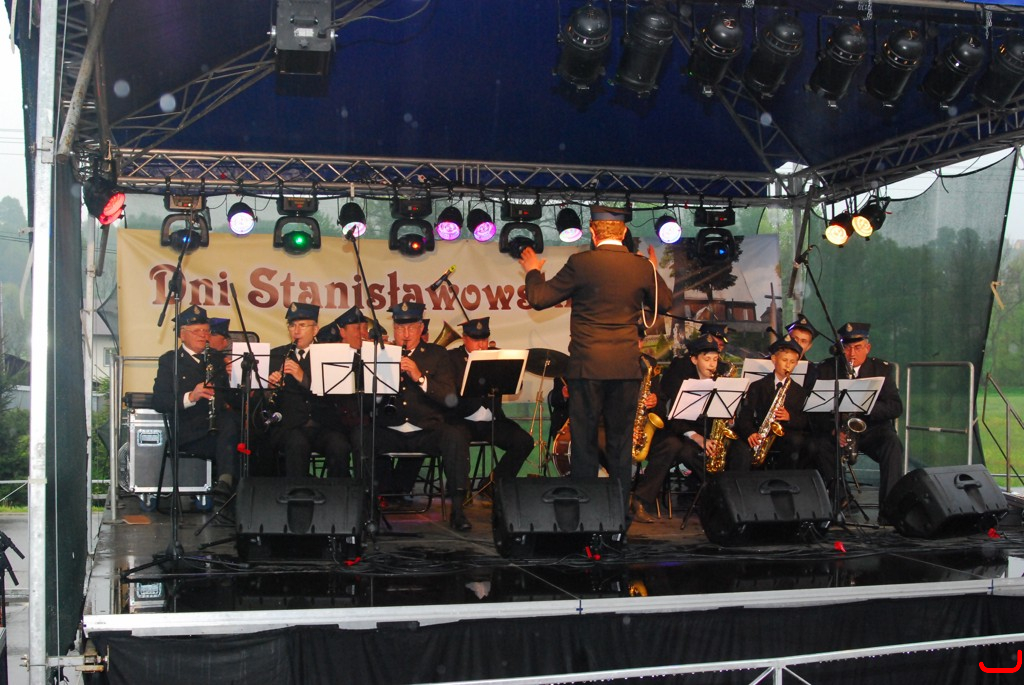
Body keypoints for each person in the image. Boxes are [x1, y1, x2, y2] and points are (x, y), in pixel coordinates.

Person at [519, 206, 671, 518]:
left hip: (587, 367)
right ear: (624, 232)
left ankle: (587, 516)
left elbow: (539, 298)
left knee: (585, 444)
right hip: (625, 368)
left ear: (592, 231)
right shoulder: (641, 266)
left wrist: (533, 270)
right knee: (620, 445)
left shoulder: (581, 263)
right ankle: (618, 518)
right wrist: (653, 272)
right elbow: (665, 303)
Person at [368, 301, 473, 531]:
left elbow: (448, 397)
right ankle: (369, 507)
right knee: (361, 436)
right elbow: (367, 402)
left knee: (455, 436)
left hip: (426, 431)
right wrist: (382, 383)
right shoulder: (381, 354)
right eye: (399, 328)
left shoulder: (438, 355)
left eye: (410, 328)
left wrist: (419, 377)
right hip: (391, 430)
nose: (405, 334)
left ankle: (458, 510)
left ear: (421, 328)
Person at [812, 322, 904, 518]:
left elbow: (895, 407)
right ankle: (841, 498)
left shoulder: (881, 369)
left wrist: (866, 407)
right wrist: (833, 429)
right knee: (820, 445)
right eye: (847, 348)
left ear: (867, 348)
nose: (852, 353)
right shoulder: (827, 368)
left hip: (871, 429)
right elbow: (815, 411)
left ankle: (890, 509)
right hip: (838, 429)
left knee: (892, 443)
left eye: (858, 347)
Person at [152, 305, 240, 504]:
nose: (203, 335)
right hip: (190, 431)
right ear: (182, 335)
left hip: (220, 430)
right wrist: (191, 396)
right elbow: (159, 401)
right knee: (233, 436)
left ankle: (240, 494)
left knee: (245, 434)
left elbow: (233, 400)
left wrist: (236, 379)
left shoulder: (218, 359)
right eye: (197, 331)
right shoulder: (170, 361)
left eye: (206, 330)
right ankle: (227, 488)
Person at [630, 335, 720, 523]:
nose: (712, 364)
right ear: (694, 360)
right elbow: (675, 419)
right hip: (620, 426)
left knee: (673, 445)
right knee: (679, 447)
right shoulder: (682, 379)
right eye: (707, 359)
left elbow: (661, 405)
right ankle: (623, 499)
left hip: (656, 427)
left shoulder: (649, 364)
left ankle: (724, 497)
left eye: (715, 359)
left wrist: (655, 401)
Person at [447, 317, 533, 498]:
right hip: (462, 421)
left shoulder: (497, 355)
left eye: (484, 339)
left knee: (524, 441)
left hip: (492, 421)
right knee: (455, 441)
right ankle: (459, 489)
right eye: (476, 340)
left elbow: (515, 385)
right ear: (464, 338)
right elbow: (447, 392)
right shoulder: (452, 358)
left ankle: (492, 484)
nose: (481, 345)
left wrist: (510, 371)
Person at [266, 302, 353, 479]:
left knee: (339, 446)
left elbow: (336, 396)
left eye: (303, 325)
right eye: (292, 325)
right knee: (297, 445)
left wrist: (303, 378)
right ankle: (298, 493)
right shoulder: (276, 355)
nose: (296, 331)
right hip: (291, 427)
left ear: (315, 330)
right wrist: (269, 389)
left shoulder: (330, 354)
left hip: (324, 425)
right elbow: (265, 402)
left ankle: (337, 493)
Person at [728, 336, 814, 472]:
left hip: (785, 435)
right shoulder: (757, 386)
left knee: (797, 441)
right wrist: (750, 433)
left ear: (797, 364)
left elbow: (804, 420)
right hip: (759, 433)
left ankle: (784, 477)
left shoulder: (799, 391)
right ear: (774, 359)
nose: (788, 365)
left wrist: (789, 417)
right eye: (784, 360)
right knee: (740, 449)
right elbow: (745, 415)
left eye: (792, 362)